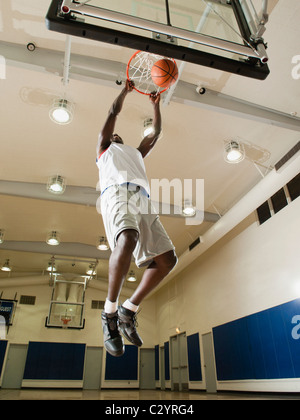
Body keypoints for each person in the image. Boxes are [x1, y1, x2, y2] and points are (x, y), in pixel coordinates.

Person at [96, 79, 177, 357]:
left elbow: (155, 133)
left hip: (142, 199)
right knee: (128, 238)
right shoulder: (105, 149)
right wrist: (125, 91)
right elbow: (111, 113)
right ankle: (109, 315)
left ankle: (127, 310)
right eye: (113, 134)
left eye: (119, 135)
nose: (116, 135)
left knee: (168, 259)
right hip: (116, 194)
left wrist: (155, 106)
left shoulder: (135, 153)